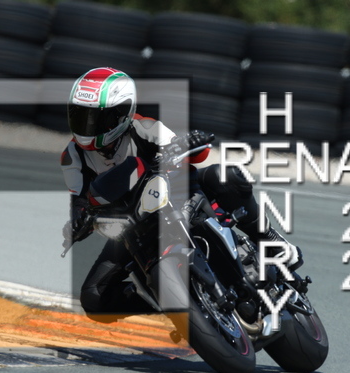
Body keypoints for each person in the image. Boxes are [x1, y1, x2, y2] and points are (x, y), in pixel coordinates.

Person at [61, 67, 302, 316]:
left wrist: (188, 142)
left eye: (96, 118)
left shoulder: (145, 128)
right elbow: (78, 200)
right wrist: (77, 220)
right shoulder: (72, 156)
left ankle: (270, 241)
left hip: (175, 196)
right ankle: (168, 304)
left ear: (122, 113)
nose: (87, 125)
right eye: (81, 115)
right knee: (94, 296)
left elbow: (189, 150)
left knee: (225, 176)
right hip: (131, 226)